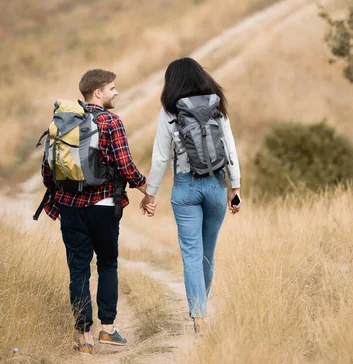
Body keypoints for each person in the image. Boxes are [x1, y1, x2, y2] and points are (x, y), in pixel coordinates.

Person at [41, 69, 154, 355]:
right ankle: (108, 328)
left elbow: (47, 170)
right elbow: (126, 166)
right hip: (103, 206)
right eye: (112, 88)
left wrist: (65, 194)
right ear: (98, 92)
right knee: (107, 264)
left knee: (78, 270)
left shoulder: (63, 122)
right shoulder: (110, 121)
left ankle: (83, 338)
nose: (116, 93)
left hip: (69, 208)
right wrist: (146, 191)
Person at [140, 57, 241, 333]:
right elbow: (229, 148)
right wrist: (236, 188)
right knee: (208, 253)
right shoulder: (216, 105)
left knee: (191, 254)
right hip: (216, 187)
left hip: (185, 188)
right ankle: (200, 309)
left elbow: (161, 157)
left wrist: (150, 194)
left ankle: (198, 315)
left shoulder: (170, 111)